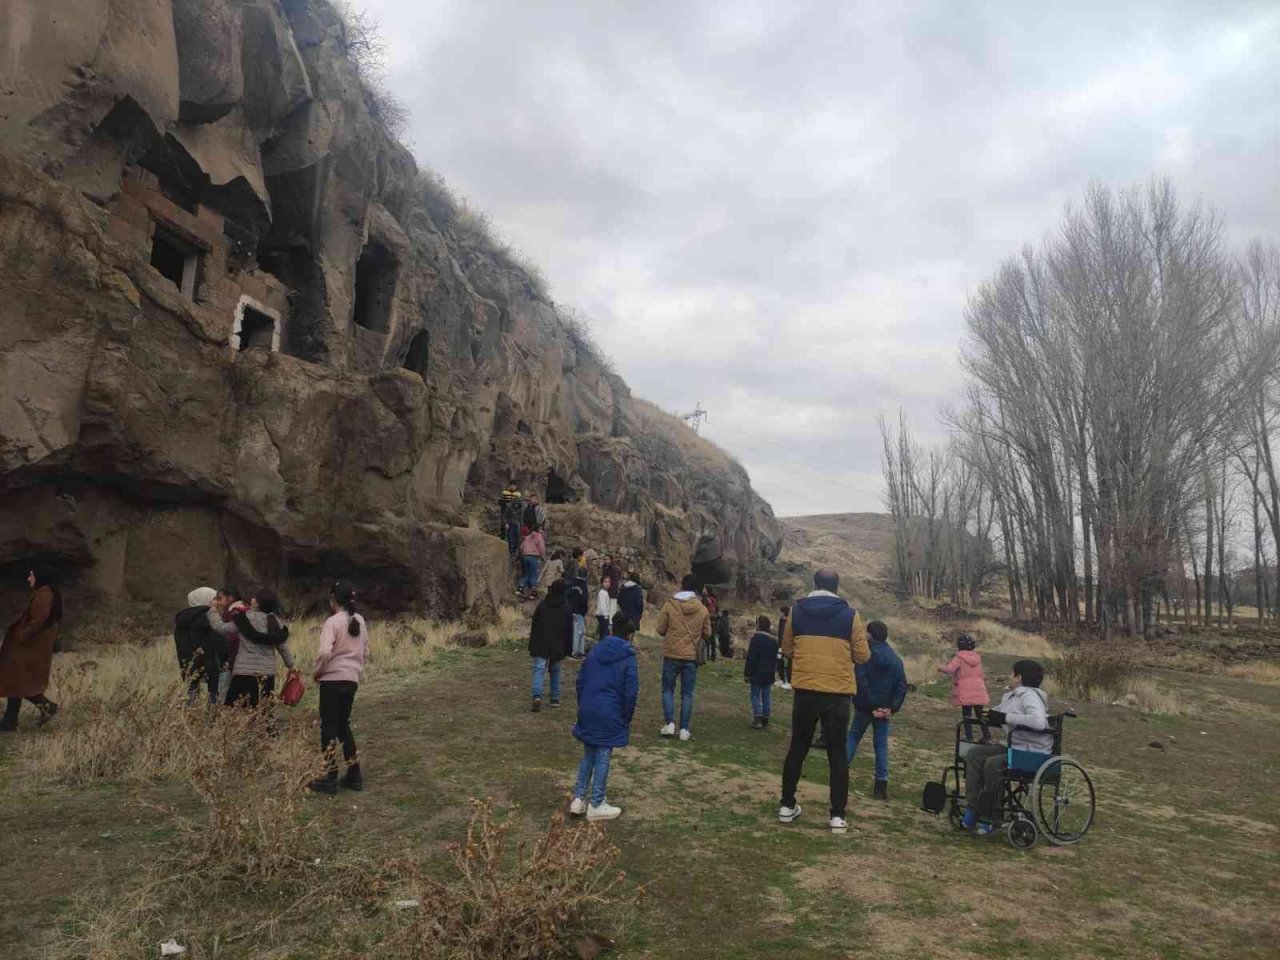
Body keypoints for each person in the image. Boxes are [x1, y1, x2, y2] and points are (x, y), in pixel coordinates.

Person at [778, 569, 870, 834]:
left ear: (814, 584)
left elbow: (787, 649)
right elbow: (862, 656)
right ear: (837, 588)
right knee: (838, 754)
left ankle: (786, 805)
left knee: (797, 748)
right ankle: (837, 816)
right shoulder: (851, 615)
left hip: (806, 691)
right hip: (838, 694)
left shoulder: (797, 611)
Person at [962, 660, 1051, 836]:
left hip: (1031, 752)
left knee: (993, 764)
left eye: (1011, 674)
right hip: (1014, 747)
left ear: (1019, 677)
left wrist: (1005, 717)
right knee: (974, 754)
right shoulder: (1010, 697)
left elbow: (1039, 722)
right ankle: (973, 808)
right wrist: (991, 716)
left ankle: (991, 816)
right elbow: (1002, 714)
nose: (1009, 677)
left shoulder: (1030, 695)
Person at [568, 613, 639, 822]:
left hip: (589, 706)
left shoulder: (595, 651)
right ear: (630, 636)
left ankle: (578, 798)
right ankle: (597, 802)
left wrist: (584, 703)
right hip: (610, 711)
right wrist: (625, 716)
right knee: (603, 753)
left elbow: (580, 680)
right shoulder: (628, 658)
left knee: (589, 753)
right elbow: (630, 692)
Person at [309, 582, 369, 794]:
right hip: (351, 679)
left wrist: (317, 671)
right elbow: (365, 650)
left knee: (328, 727)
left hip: (332, 679)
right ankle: (354, 774)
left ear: (334, 598)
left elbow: (325, 652)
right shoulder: (359, 620)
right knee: (343, 725)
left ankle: (330, 776)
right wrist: (358, 671)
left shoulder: (332, 622)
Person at [847, 620, 907, 800]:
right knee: (880, 745)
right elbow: (901, 685)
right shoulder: (895, 658)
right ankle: (881, 785)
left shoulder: (865, 656)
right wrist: (891, 708)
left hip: (865, 707)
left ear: (870, 635)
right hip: (884, 710)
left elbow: (861, 681)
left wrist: (872, 706)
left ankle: (841, 770)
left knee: (853, 736)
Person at [0, 566, 63, 731]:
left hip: (28, 647)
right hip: (29, 647)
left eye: (31, 575)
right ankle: (10, 720)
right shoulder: (47, 593)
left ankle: (46, 707)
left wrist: (20, 635)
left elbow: (37, 620)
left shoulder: (44, 594)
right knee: (16, 681)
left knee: (18, 681)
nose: (29, 579)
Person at [210, 587, 295, 707]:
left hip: (244, 672)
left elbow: (222, 628)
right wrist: (290, 665)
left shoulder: (244, 618)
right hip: (267, 673)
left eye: (254, 598)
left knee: (236, 711)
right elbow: (283, 647)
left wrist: (213, 611)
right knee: (263, 711)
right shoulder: (275, 620)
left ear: (257, 602)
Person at [654, 574, 711, 741]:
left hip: (671, 653)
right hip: (691, 656)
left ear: (682, 586)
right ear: (696, 589)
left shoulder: (670, 605)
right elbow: (707, 633)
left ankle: (670, 724)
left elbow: (659, 629)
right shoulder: (702, 609)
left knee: (667, 689)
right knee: (687, 693)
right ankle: (685, 729)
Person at [174, 586, 224, 705]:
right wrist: (225, 657)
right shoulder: (210, 617)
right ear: (205, 599)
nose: (216, 601)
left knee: (192, 691)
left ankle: (191, 718)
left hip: (188, 662)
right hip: (210, 660)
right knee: (214, 693)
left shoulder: (182, 620)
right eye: (213, 598)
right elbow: (218, 639)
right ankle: (211, 719)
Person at [528, 579, 573, 711]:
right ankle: (554, 698)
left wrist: (532, 644)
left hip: (541, 643)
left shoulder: (542, 606)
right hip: (558, 645)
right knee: (555, 671)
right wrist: (568, 648)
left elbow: (534, 626)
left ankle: (537, 695)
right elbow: (569, 631)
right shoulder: (566, 609)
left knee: (539, 669)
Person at [941, 633, 991, 742]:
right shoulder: (977, 658)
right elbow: (982, 674)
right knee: (980, 714)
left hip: (965, 690)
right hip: (979, 688)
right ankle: (987, 736)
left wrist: (940, 667)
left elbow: (950, 669)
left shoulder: (959, 657)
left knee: (967, 715)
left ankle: (969, 737)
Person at [744, 615, 779, 729]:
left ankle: (757, 718)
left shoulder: (756, 639)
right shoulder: (774, 640)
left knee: (755, 695)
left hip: (757, 671)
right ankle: (766, 718)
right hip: (769, 671)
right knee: (766, 696)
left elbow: (751, 657)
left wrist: (747, 673)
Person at [518, 525, 546, 599]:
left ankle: (520, 587)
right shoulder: (539, 536)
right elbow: (541, 547)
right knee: (533, 574)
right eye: (541, 529)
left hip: (525, 556)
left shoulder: (528, 537)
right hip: (533, 556)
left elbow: (521, 547)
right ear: (538, 529)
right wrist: (543, 557)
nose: (542, 531)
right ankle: (533, 592)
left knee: (527, 573)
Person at [566, 568, 589, 659]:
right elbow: (584, 599)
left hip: (572, 610)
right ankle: (575, 651)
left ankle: (580, 651)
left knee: (581, 631)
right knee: (578, 632)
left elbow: (567, 595)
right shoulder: (583, 585)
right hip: (579, 611)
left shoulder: (572, 583)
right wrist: (584, 610)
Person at [502, 486, 525, 558]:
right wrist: (505, 523)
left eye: (518, 505)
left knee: (517, 540)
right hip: (510, 524)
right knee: (510, 539)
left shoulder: (520, 508)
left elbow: (521, 518)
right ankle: (510, 551)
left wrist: (522, 526)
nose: (516, 506)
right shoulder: (509, 507)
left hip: (517, 525)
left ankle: (514, 552)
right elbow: (504, 516)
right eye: (515, 504)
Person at [595, 576, 618, 642]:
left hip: (605, 616)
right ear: (602, 583)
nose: (607, 584)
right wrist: (606, 617)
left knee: (604, 635)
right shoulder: (602, 593)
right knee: (603, 636)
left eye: (609, 582)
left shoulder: (606, 592)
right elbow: (602, 606)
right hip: (603, 616)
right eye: (605, 582)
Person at [775, 605, 792, 689]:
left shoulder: (789, 622)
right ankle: (781, 679)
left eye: (780, 612)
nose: (779, 613)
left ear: (783, 612)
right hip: (780, 645)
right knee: (779, 661)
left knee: (788, 663)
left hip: (786, 645)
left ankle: (788, 681)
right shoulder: (781, 621)